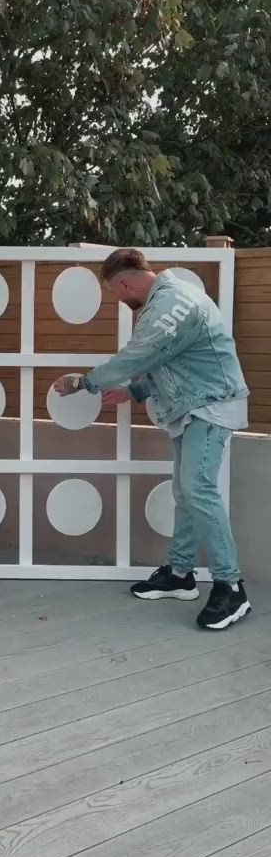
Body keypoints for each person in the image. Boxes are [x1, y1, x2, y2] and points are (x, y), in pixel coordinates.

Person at [54, 247, 251, 631]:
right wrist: (135, 392)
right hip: (193, 405)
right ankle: (180, 574)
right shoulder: (168, 299)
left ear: (125, 282)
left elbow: (137, 354)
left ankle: (231, 587)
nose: (118, 299)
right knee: (185, 492)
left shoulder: (172, 304)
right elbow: (168, 358)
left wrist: (85, 382)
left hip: (211, 405)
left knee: (198, 490)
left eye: (115, 293)